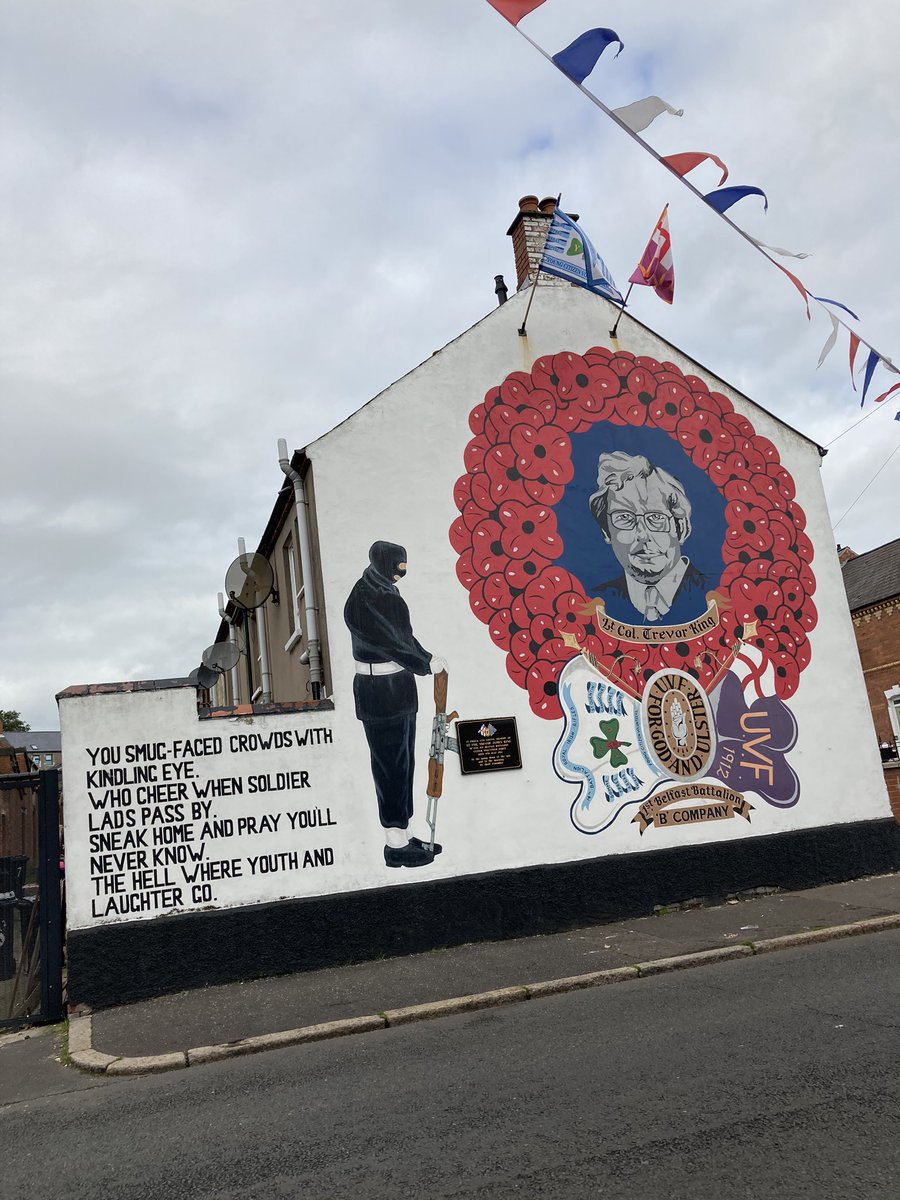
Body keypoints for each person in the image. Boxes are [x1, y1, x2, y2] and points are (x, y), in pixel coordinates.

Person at [343, 541, 447, 868]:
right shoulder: (364, 598)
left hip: (398, 687)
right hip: (379, 690)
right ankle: (394, 845)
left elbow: (404, 636)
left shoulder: (385, 589)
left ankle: (405, 832)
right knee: (389, 766)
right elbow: (389, 641)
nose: (402, 573)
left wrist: (426, 658)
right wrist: (424, 663)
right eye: (398, 567)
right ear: (384, 563)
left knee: (404, 764)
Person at [588, 451, 707, 625]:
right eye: (624, 517)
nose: (642, 535)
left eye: (656, 518)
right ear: (607, 531)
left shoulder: (713, 593)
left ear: (681, 528)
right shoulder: (595, 600)